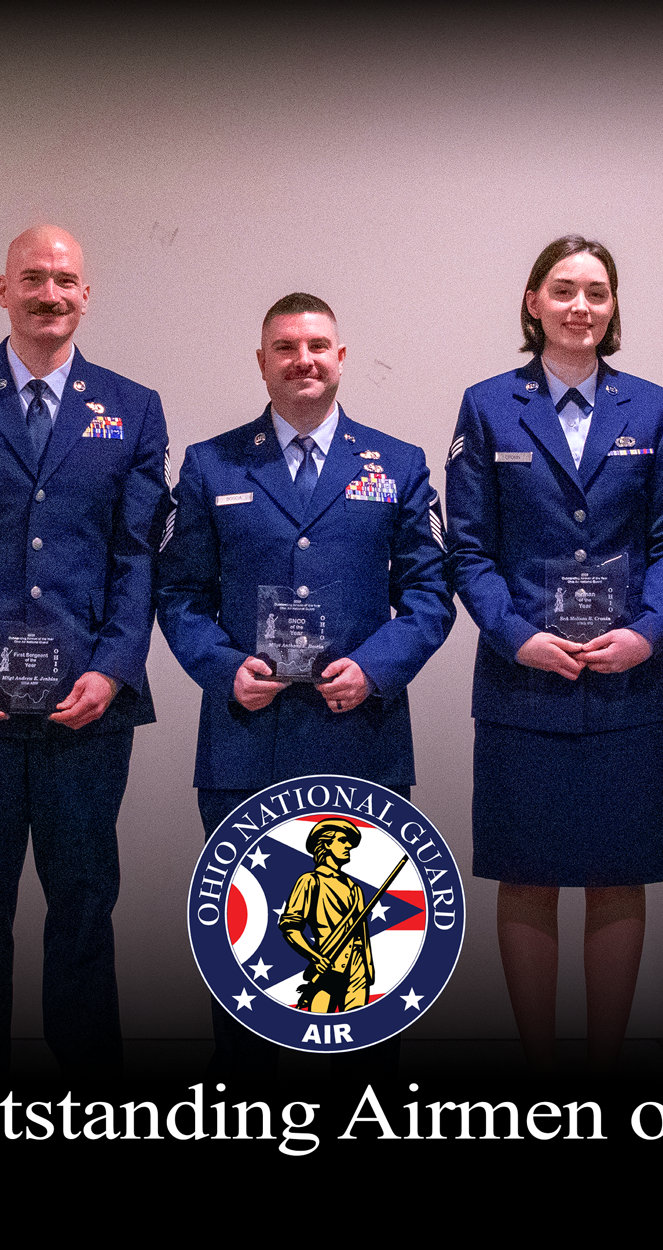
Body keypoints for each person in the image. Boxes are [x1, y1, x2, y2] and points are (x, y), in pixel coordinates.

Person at [0, 225, 169, 1085]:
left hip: (88, 703)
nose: (50, 294)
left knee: (84, 901)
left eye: (66, 281)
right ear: (2, 289)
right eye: (33, 279)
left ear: (86, 295)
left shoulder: (134, 405)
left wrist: (115, 665)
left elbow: (140, 556)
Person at [156, 292, 453, 1083]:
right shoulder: (212, 464)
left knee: (369, 969)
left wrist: (378, 667)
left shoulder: (398, 463)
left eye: (318, 344)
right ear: (262, 363)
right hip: (247, 744)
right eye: (285, 347)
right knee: (249, 961)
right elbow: (178, 594)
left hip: (361, 739)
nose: (304, 360)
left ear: (342, 356)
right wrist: (223, 669)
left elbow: (430, 595)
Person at [443, 237, 663, 1079]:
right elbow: (468, 553)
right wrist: (518, 636)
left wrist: (649, 631)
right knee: (529, 874)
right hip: (525, 680)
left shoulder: (653, 408)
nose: (581, 306)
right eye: (564, 291)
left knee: (621, 874)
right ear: (532, 302)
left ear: (613, 307)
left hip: (630, 679)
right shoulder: (486, 407)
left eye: (596, 292)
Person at [279, 818, 375, 1015]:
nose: (349, 845)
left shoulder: (355, 888)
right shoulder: (309, 881)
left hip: (359, 968)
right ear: (326, 844)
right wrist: (315, 957)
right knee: (319, 1027)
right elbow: (290, 927)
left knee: (358, 1032)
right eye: (342, 840)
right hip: (328, 967)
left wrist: (366, 969)